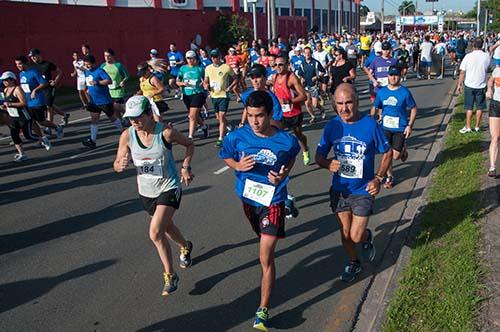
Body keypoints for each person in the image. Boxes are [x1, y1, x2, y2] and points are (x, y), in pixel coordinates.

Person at [219, 90, 300, 331]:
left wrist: (284, 173)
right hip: (249, 198)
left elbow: (291, 156)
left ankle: (262, 311)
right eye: (251, 115)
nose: (255, 121)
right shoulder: (236, 137)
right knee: (260, 239)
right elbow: (225, 156)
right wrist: (237, 164)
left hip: (273, 200)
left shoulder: (286, 140)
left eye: (260, 116)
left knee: (265, 255)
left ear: (269, 114)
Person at [114, 95, 194, 296]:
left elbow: (189, 144)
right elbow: (116, 163)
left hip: (169, 187)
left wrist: (185, 167)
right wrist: (120, 165)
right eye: (131, 118)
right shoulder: (127, 135)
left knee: (155, 232)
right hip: (146, 191)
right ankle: (185, 246)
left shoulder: (166, 133)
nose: (134, 122)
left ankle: (170, 275)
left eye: (138, 117)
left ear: (150, 114)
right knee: (166, 228)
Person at [315, 83, 392, 282]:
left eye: (349, 102)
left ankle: (366, 237)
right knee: (345, 234)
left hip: (362, 190)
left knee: (356, 236)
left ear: (357, 102)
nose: (344, 108)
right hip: (340, 190)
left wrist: (379, 178)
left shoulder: (370, 124)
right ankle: (354, 262)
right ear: (334, 105)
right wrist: (326, 164)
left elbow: (387, 151)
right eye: (340, 104)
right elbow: (319, 156)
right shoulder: (332, 126)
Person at [370, 66, 417, 188]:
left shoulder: (404, 92)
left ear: (400, 76)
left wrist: (409, 126)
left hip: (399, 128)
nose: (393, 77)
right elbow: (376, 106)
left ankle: (402, 150)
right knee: (387, 153)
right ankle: (389, 176)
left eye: (396, 75)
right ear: (388, 76)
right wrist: (372, 119)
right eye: (391, 75)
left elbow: (413, 108)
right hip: (385, 128)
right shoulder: (382, 92)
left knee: (395, 156)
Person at [0, 71, 50, 161]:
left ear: (12, 80)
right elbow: (6, 103)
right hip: (12, 117)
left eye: (6, 80)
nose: (4, 82)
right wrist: (4, 106)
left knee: (28, 136)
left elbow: (24, 103)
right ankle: (22, 154)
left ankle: (42, 139)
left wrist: (10, 104)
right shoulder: (5, 90)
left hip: (23, 116)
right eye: (3, 80)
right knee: (14, 135)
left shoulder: (17, 89)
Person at [271, 55, 310, 165]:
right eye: (276, 65)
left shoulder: (292, 78)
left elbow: (304, 96)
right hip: (281, 114)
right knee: (276, 134)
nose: (278, 67)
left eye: (281, 64)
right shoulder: (274, 77)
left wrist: (290, 101)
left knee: (299, 135)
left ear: (287, 65)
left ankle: (305, 150)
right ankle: (280, 157)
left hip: (294, 113)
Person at [15, 55, 64, 140]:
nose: (18, 66)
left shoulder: (33, 72)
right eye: (16, 64)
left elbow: (44, 83)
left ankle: (57, 127)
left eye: (20, 64)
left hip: (37, 100)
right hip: (28, 101)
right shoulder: (21, 74)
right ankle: (42, 139)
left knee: (41, 121)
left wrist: (35, 90)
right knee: (31, 121)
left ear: (25, 63)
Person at [82, 54, 123, 148]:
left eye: (88, 64)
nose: (87, 66)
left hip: (104, 100)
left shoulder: (99, 71)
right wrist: (88, 95)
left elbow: (109, 81)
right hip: (93, 101)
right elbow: (88, 84)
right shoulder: (87, 72)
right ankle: (93, 141)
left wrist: (98, 82)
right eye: (85, 64)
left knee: (112, 118)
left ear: (93, 63)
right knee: (94, 119)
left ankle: (123, 131)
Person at [28, 48, 70, 128]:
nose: (32, 58)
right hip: (40, 89)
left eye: (34, 56)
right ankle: (64, 114)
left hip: (49, 88)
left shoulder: (47, 64)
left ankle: (49, 126)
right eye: (31, 57)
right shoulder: (32, 67)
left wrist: (55, 81)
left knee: (48, 106)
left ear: (39, 55)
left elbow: (59, 71)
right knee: (47, 104)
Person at [203, 49, 237, 147]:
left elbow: (235, 78)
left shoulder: (226, 67)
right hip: (214, 95)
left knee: (221, 117)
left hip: (223, 95)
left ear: (219, 57)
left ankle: (221, 138)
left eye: (216, 57)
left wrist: (230, 87)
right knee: (219, 118)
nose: (214, 59)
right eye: (212, 57)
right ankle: (229, 126)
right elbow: (206, 79)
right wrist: (205, 85)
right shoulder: (208, 68)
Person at [457, 38, 491, 134]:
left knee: (469, 107)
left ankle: (468, 127)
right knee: (480, 107)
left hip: (469, 84)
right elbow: (488, 69)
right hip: (481, 84)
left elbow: (462, 72)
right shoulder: (486, 56)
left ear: (473, 45)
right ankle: (477, 126)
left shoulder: (468, 56)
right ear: (482, 45)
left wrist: (459, 84)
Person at [176, 50, 208, 139]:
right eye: (187, 58)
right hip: (186, 94)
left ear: (195, 58)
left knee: (192, 116)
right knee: (195, 115)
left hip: (197, 93)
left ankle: (190, 137)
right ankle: (204, 126)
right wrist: (183, 84)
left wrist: (205, 84)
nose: (189, 60)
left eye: (191, 58)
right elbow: (177, 82)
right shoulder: (183, 69)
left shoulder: (200, 69)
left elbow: (206, 80)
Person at [298, 46, 326, 123]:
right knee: (307, 103)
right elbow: (300, 74)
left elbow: (323, 71)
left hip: (314, 85)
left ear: (311, 53)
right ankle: (313, 116)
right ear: (303, 54)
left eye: (308, 53)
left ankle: (321, 109)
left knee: (315, 104)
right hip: (306, 86)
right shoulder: (302, 64)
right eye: (305, 53)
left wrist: (317, 77)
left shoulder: (316, 62)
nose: (307, 54)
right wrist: (301, 81)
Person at [101, 48, 129, 117]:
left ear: (113, 56)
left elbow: (127, 75)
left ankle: (129, 115)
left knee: (119, 107)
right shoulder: (102, 66)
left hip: (118, 90)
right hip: (108, 91)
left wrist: (123, 81)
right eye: (105, 56)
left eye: (109, 56)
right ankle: (122, 124)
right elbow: (99, 77)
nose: (107, 58)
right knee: (114, 110)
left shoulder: (118, 65)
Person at [486, 62, 500, 178]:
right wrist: (489, 89)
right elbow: (490, 81)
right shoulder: (497, 70)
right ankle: (492, 167)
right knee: (495, 137)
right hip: (496, 104)